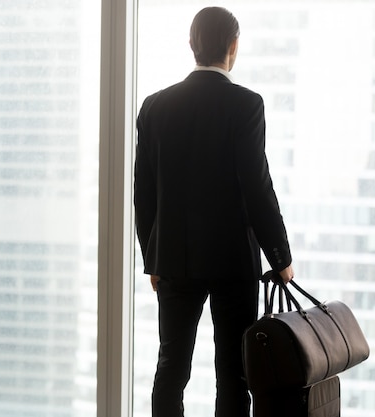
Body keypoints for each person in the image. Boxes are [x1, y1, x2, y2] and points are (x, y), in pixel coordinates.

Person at [134, 6, 294, 417]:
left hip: (174, 259)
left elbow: (144, 193)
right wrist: (280, 257)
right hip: (232, 261)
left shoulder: (154, 107)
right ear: (233, 47)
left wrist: (153, 257)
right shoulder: (246, 105)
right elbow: (257, 185)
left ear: (191, 45)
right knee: (235, 374)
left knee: (171, 368)